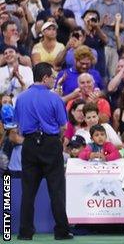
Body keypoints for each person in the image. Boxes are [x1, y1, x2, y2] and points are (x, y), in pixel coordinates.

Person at [15, 62, 72, 240]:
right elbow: (63, 126)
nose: (54, 81)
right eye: (53, 77)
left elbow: (18, 127)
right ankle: (62, 231)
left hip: (29, 144)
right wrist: (55, 138)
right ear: (45, 77)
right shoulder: (54, 98)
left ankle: (25, 232)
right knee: (56, 190)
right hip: (50, 143)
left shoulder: (21, 98)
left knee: (28, 192)